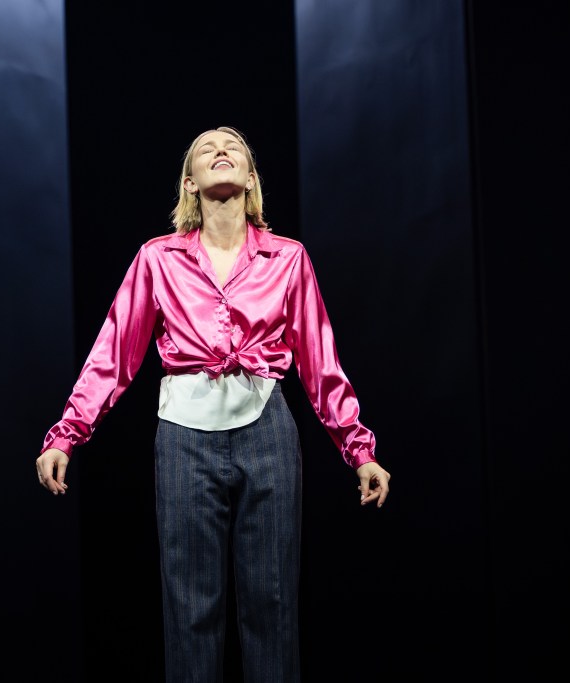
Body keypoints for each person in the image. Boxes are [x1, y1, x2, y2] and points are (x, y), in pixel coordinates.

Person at [35, 126, 390, 682]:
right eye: (206, 148)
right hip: (184, 439)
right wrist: (66, 433)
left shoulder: (288, 258)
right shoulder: (158, 259)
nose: (220, 150)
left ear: (250, 179)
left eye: (233, 148)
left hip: (267, 432)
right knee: (191, 610)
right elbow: (114, 353)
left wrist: (358, 449)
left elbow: (321, 362)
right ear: (189, 182)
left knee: (271, 603)